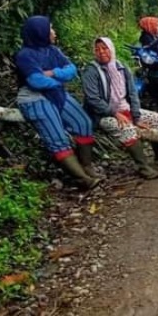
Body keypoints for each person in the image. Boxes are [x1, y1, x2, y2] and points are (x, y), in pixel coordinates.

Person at [14, 16, 100, 189]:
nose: (53, 32)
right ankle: (82, 179)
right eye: (50, 29)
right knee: (58, 138)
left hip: (56, 94)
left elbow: (72, 70)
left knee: (83, 123)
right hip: (34, 98)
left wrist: (52, 73)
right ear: (40, 33)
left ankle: (87, 166)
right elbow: (36, 82)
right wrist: (58, 79)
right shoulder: (24, 55)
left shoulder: (52, 50)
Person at [82, 37, 158, 180]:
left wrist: (136, 116)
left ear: (111, 49)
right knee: (127, 129)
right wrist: (114, 113)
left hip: (124, 109)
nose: (101, 52)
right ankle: (143, 166)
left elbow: (132, 93)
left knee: (157, 119)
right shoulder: (91, 71)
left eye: (104, 48)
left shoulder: (121, 66)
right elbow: (93, 99)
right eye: (97, 49)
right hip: (103, 115)